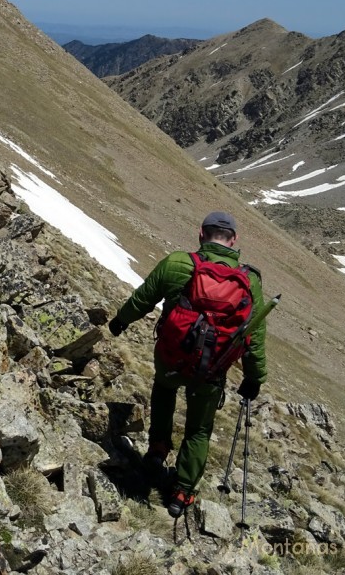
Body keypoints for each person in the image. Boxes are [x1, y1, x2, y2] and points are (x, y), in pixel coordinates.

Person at [109, 211, 267, 518]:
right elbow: (255, 335)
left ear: (201, 234)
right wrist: (254, 376)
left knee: (164, 392)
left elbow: (144, 297)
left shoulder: (179, 263)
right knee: (198, 430)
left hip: (171, 357)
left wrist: (120, 321)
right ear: (233, 240)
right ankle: (181, 493)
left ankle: (156, 451)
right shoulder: (250, 282)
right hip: (211, 370)